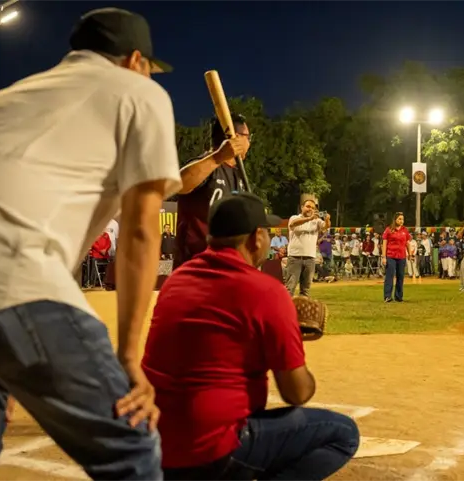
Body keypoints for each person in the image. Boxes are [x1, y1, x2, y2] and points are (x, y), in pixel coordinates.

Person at [0, 8, 179, 479]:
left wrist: (7, 355)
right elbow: (142, 228)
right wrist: (127, 358)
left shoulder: (13, 98)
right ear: (134, 60)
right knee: (131, 445)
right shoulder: (140, 92)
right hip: (10, 275)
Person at [142, 193, 359, 480]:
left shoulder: (177, 280)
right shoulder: (266, 291)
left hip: (154, 446)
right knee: (344, 434)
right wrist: (288, 335)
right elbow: (298, 393)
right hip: (211, 451)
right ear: (256, 237)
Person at [173, 115, 252, 268]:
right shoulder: (206, 164)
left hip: (227, 265)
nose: (249, 143)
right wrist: (218, 157)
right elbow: (179, 184)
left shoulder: (238, 176)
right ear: (236, 138)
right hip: (196, 267)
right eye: (248, 137)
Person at [285, 198, 331, 296]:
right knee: (290, 288)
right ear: (302, 207)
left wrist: (327, 220)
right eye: (308, 206)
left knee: (305, 290)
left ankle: (302, 310)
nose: (310, 209)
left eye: (313, 208)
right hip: (294, 257)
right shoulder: (294, 218)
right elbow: (293, 224)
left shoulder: (317, 221)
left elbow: (325, 227)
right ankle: (285, 311)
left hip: (310, 258)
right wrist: (309, 219)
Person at [381, 212, 413, 302]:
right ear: (395, 219)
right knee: (389, 276)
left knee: (400, 276)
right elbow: (384, 243)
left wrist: (410, 254)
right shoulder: (389, 229)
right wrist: (383, 257)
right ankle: (387, 296)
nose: (401, 221)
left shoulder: (404, 230)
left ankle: (399, 297)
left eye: (402, 219)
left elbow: (407, 243)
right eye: (399, 219)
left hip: (401, 256)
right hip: (391, 256)